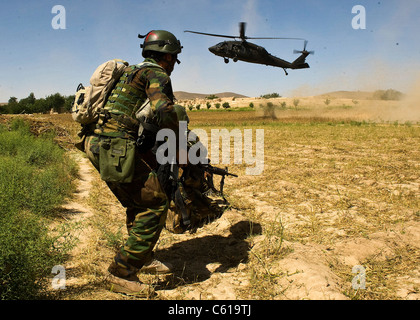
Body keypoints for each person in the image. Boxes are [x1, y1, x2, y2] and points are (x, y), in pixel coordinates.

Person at [83, 30, 183, 297]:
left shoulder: (130, 72)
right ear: (166, 55)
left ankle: (144, 257)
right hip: (115, 146)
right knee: (156, 203)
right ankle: (122, 272)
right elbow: (163, 109)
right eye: (174, 57)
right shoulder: (156, 74)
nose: (174, 62)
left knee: (137, 202)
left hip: (96, 142)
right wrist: (177, 141)